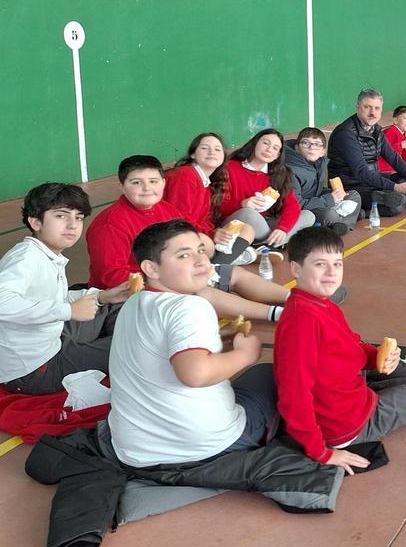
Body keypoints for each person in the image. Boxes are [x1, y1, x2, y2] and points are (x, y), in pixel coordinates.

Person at [273, 227, 406, 473]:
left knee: (403, 369)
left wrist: (378, 356)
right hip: (353, 425)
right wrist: (321, 452)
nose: (331, 273)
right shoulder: (303, 320)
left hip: (354, 394)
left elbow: (351, 346)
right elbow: (293, 394)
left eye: (337, 264)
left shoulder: (320, 305)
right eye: (320, 264)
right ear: (296, 269)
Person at [107, 219, 277, 468]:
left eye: (200, 250)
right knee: (269, 375)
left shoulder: (135, 301)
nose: (201, 261)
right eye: (184, 255)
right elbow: (195, 374)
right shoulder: (189, 306)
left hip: (135, 450)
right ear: (151, 269)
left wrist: (218, 341)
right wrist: (246, 354)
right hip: (203, 448)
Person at [86, 156, 290, 321]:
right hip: (130, 297)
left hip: (177, 274)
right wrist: (171, 278)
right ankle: (278, 315)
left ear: (163, 183)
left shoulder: (165, 209)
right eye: (136, 182)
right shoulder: (110, 224)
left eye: (153, 181)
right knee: (201, 292)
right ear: (122, 186)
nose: (147, 188)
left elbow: (189, 237)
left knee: (232, 272)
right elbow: (112, 278)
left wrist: (203, 256)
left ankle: (295, 298)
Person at [0, 184, 130, 394]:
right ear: (35, 221)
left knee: (113, 305)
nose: (73, 225)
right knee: (133, 347)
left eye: (78, 217)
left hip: (52, 338)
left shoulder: (46, 253)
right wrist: (68, 311)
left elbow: (51, 297)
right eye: (61, 216)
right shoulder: (26, 257)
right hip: (33, 370)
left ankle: (101, 343)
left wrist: (102, 297)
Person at [163, 133, 258, 265]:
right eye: (204, 148)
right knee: (204, 241)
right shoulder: (185, 175)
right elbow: (179, 221)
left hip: (196, 233)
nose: (212, 152)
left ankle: (218, 265)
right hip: (173, 235)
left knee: (246, 229)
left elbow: (207, 219)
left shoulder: (207, 183)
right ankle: (224, 263)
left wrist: (216, 232)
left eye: (218, 149)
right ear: (193, 154)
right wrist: (211, 234)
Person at [328, 89, 406, 217]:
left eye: (377, 108)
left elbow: (394, 158)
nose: (372, 113)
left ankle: (381, 200)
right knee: (396, 205)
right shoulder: (346, 134)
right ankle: (360, 209)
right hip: (351, 185)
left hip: (372, 179)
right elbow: (361, 172)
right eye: (367, 107)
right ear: (357, 107)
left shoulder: (376, 131)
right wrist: (396, 187)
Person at [215, 129, 315, 248]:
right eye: (265, 143)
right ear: (255, 143)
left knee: (308, 215)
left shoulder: (279, 175)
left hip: (263, 225)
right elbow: (216, 205)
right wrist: (242, 204)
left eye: (275, 148)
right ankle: (274, 244)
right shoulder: (229, 167)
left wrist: (283, 229)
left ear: (277, 155)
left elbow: (292, 206)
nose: (269, 150)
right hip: (234, 223)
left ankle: (265, 244)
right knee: (249, 213)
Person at [284, 127, 361, 236]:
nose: (311, 147)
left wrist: (334, 193)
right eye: (306, 143)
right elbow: (297, 204)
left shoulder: (318, 164)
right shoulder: (290, 171)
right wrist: (329, 199)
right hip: (305, 209)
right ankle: (344, 220)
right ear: (297, 147)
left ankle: (341, 222)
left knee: (354, 196)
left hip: (318, 200)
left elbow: (316, 189)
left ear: (322, 152)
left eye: (317, 144)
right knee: (328, 214)